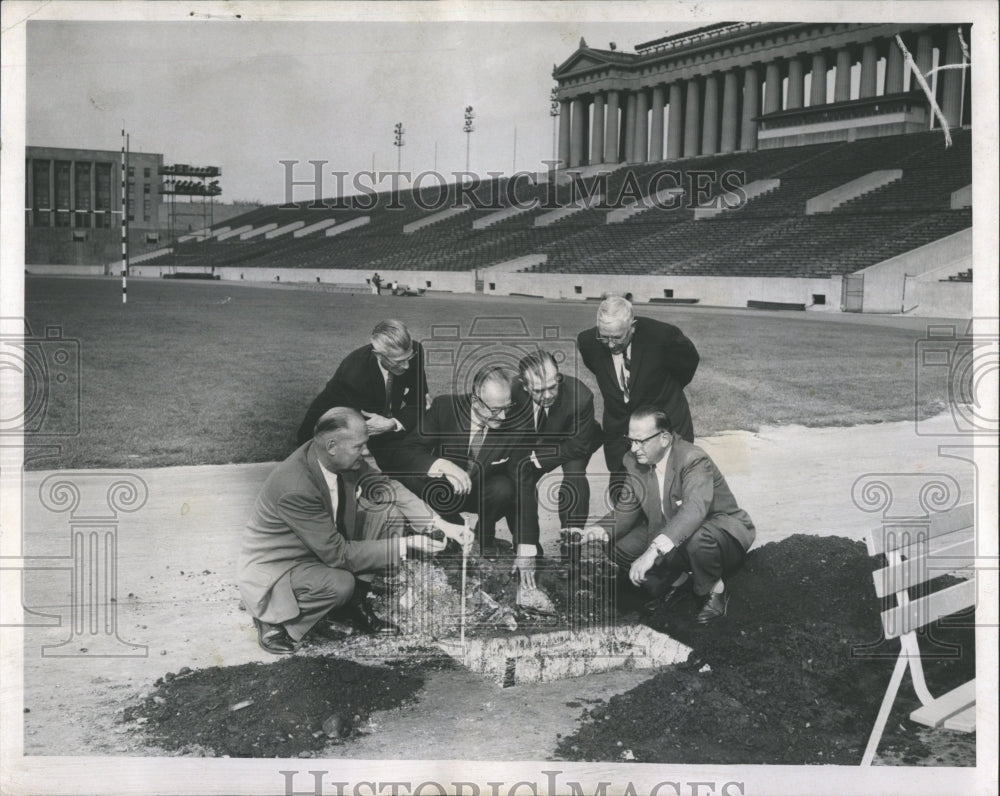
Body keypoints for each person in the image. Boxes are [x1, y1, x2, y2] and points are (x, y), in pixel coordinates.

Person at [239, 407, 472, 654]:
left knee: (386, 513)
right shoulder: (295, 487)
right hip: (282, 564)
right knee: (340, 584)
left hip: (319, 545)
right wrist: (408, 543)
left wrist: (438, 523)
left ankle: (355, 604)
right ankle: (272, 617)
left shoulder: (335, 456)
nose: (366, 452)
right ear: (331, 446)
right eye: (358, 446)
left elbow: (385, 485)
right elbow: (337, 555)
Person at [598, 406, 754, 624]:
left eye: (640, 441)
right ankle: (677, 583)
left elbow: (694, 511)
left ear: (664, 438)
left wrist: (652, 552)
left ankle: (715, 590)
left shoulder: (692, 458)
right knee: (615, 544)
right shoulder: (633, 461)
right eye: (630, 440)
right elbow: (626, 508)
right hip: (674, 531)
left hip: (718, 531)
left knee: (697, 538)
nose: (634, 448)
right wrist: (597, 531)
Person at [387, 365, 520, 559]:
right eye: (496, 410)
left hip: (482, 495)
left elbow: (523, 484)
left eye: (507, 407)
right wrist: (441, 465)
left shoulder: (514, 425)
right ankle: (447, 531)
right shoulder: (445, 407)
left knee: (506, 487)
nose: (503, 416)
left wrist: (526, 546)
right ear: (476, 401)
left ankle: (485, 539)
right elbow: (407, 452)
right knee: (411, 475)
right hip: (443, 491)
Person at [577, 296, 699, 500]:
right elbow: (599, 370)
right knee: (621, 495)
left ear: (632, 327)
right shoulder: (588, 342)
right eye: (604, 337)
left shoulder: (662, 336)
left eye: (617, 337)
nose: (609, 344)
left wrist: (664, 391)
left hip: (664, 422)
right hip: (620, 431)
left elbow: (687, 364)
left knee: (671, 493)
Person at [508, 350, 602, 587]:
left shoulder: (581, 396)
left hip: (573, 444)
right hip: (538, 442)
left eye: (553, 386)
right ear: (525, 386)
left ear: (558, 377)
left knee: (574, 480)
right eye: (539, 390)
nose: (548, 395)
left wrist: (538, 459)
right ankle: (529, 546)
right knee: (517, 477)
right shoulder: (511, 391)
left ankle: (571, 556)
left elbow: (579, 446)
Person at [296, 319, 427, 470]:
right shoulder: (354, 375)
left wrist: (393, 423)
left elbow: (420, 402)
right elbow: (368, 429)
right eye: (398, 362)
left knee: (406, 458)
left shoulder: (415, 351)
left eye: (408, 358)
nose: (407, 365)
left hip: (373, 420)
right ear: (379, 355)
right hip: (326, 429)